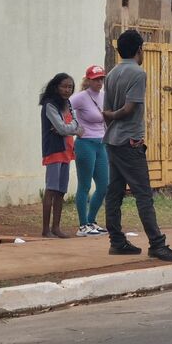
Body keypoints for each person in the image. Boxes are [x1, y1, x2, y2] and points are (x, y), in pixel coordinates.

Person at [101, 30, 172, 262]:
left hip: (112, 140)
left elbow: (106, 112)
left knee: (114, 192)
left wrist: (111, 117)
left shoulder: (112, 73)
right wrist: (116, 116)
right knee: (143, 194)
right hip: (130, 141)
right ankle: (157, 243)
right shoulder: (138, 73)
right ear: (139, 49)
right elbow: (128, 109)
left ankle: (117, 241)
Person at [39, 73, 84, 238]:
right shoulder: (50, 105)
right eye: (64, 86)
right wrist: (70, 127)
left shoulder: (68, 104)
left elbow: (74, 126)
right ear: (56, 87)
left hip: (67, 149)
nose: (67, 90)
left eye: (70, 87)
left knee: (61, 191)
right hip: (54, 150)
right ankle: (45, 229)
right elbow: (65, 128)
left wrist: (68, 126)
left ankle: (56, 227)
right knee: (51, 189)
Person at [69, 65, 110, 237]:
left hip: (101, 143)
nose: (99, 82)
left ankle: (91, 220)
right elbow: (65, 108)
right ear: (88, 80)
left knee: (104, 185)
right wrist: (74, 127)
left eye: (101, 79)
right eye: (95, 79)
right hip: (85, 143)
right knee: (84, 185)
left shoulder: (104, 96)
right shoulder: (80, 98)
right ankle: (82, 225)